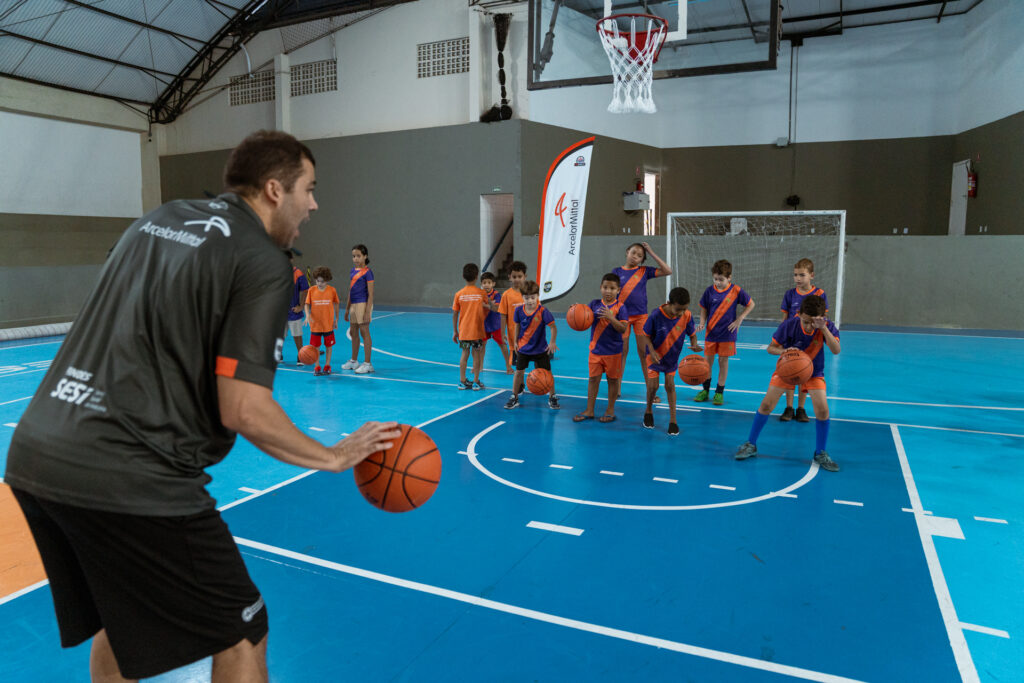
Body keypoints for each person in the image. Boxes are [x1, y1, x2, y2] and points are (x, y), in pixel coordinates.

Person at [3, 130, 401, 682]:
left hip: (37, 452)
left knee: (123, 623)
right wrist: (332, 455)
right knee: (242, 632)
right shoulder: (261, 260)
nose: (313, 204)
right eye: (308, 189)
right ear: (274, 189)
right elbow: (244, 408)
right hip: (131, 470)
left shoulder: (158, 219)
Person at [735, 295, 841, 471]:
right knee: (766, 405)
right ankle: (750, 444)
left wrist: (823, 329)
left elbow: (836, 350)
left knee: (823, 411)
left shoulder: (826, 327)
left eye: (813, 323)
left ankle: (820, 452)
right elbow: (771, 348)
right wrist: (784, 351)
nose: (809, 326)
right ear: (799, 314)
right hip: (788, 369)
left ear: (823, 318)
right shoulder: (789, 325)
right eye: (806, 321)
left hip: (813, 372)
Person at [613, 242, 672, 402]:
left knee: (644, 353)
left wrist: (651, 252)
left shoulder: (644, 271)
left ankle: (650, 390)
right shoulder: (616, 272)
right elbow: (610, 293)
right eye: (633, 252)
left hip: (641, 317)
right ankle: (616, 389)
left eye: (640, 256)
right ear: (627, 251)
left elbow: (668, 270)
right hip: (622, 317)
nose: (635, 257)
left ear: (642, 260)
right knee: (622, 352)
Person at [640, 287, 702, 435]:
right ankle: (648, 411)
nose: (681, 312)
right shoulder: (656, 315)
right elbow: (645, 335)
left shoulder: (686, 315)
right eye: (678, 309)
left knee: (670, 385)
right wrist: (652, 351)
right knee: (653, 386)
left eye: (684, 309)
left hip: (671, 357)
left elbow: (692, 334)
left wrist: (694, 344)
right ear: (669, 303)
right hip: (654, 356)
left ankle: (673, 421)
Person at [695, 259, 755, 405]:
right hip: (711, 333)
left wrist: (740, 319)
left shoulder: (736, 291)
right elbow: (703, 308)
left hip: (727, 333)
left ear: (729, 278)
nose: (718, 282)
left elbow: (751, 304)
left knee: (723, 362)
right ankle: (705, 390)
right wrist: (702, 322)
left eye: (721, 279)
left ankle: (719, 392)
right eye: (715, 279)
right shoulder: (709, 291)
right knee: (707, 363)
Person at [572, 274, 629, 423]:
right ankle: (589, 410)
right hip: (595, 351)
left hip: (613, 352)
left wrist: (611, 318)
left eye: (612, 288)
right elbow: (584, 317)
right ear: (600, 288)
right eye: (605, 287)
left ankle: (610, 410)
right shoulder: (594, 304)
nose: (608, 291)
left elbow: (623, 329)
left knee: (612, 381)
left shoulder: (621, 308)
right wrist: (576, 311)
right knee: (593, 380)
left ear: (618, 290)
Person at [778, 258, 829, 422]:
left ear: (811, 275)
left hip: (810, 339)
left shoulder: (820, 294)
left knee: (804, 372)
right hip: (791, 337)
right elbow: (784, 317)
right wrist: (782, 336)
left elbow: (823, 318)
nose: (798, 278)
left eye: (802, 275)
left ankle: (801, 408)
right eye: (795, 275)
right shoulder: (790, 294)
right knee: (790, 370)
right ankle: (789, 407)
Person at [505, 280, 560, 410]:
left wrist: (552, 342)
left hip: (540, 349)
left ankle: (552, 396)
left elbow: (553, 327)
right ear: (522, 297)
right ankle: (514, 397)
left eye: (533, 297)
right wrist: (515, 341)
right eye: (527, 297)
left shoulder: (543, 311)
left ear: (537, 296)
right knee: (518, 372)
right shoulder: (518, 310)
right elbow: (517, 326)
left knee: (548, 373)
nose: (530, 300)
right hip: (523, 348)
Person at [452, 263, 490, 390]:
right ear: (477, 277)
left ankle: (462, 381)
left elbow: (455, 314)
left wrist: (455, 331)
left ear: (463, 276)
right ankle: (475, 381)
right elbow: (488, 308)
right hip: (477, 332)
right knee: (477, 354)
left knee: (464, 354)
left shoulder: (459, 294)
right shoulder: (481, 293)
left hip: (464, 333)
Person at [342, 243, 374, 374]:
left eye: (358, 256)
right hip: (354, 305)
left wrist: (367, 311)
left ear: (365, 256)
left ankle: (367, 364)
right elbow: (351, 291)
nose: (355, 258)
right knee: (353, 332)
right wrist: (347, 309)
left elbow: (371, 294)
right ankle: (354, 361)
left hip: (363, 304)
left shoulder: (368, 273)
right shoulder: (352, 271)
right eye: (353, 256)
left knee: (364, 332)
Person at [304, 265, 340, 376]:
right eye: (317, 281)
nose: (319, 283)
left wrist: (336, 319)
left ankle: (327, 365)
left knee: (329, 346)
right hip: (315, 325)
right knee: (316, 347)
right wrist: (307, 315)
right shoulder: (311, 290)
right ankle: (317, 366)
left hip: (328, 324)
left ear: (327, 280)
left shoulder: (332, 290)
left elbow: (336, 304)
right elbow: (307, 304)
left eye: (322, 281)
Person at [498, 260, 527, 373]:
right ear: (509, 277)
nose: (517, 279)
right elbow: (503, 315)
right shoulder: (506, 295)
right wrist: (502, 333)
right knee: (519, 365)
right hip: (514, 336)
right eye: (514, 277)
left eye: (520, 276)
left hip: (529, 334)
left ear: (525, 276)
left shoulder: (529, 293)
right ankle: (519, 380)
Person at [480, 271, 512, 374]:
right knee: (482, 346)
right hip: (484, 325)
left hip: (496, 324)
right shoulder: (479, 294)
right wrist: (490, 304)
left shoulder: (497, 295)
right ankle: (480, 366)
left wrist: (485, 304)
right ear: (481, 284)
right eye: (484, 283)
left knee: (502, 344)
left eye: (489, 282)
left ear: (493, 284)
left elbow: (496, 308)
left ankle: (508, 366)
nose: (486, 285)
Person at [286, 249, 309, 363]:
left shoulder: (298, 273)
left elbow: (305, 290)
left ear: (292, 259)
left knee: (297, 335)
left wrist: (301, 306)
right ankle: (277, 355)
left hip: (293, 311)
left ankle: (301, 356)